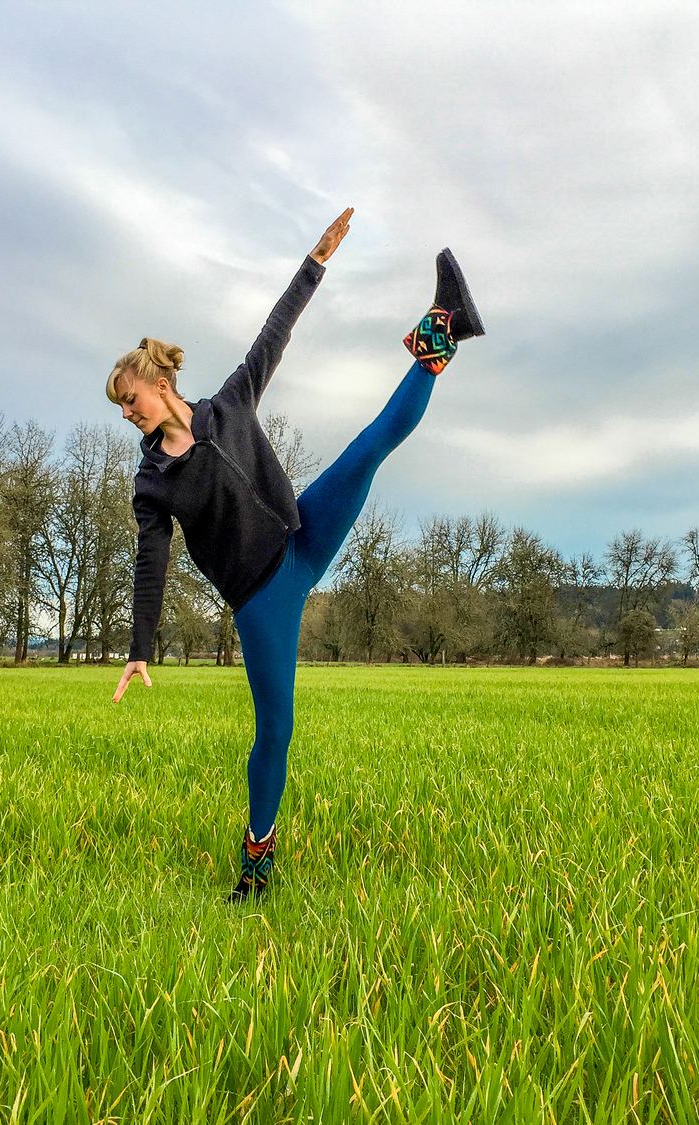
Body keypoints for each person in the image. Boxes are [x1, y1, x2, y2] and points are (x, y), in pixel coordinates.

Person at [108, 208, 484, 902]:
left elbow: (272, 334)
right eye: (122, 408)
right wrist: (139, 644)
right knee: (276, 730)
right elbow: (149, 563)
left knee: (371, 447)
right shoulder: (152, 482)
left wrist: (315, 262)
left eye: (129, 399)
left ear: (158, 383)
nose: (127, 412)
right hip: (263, 599)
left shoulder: (227, 405)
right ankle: (256, 867)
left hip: (301, 534)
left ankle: (446, 322)